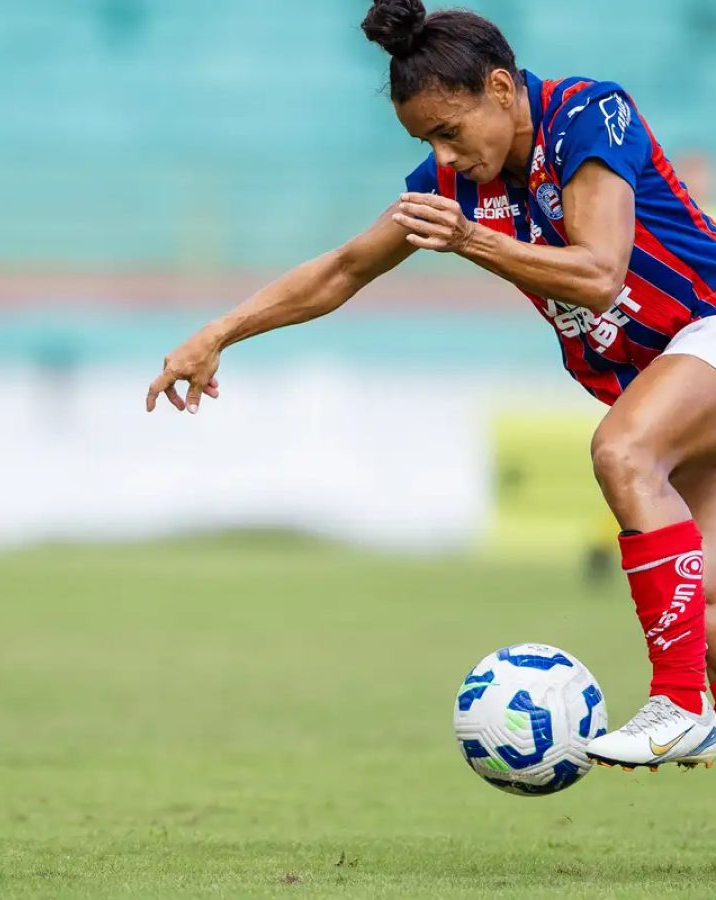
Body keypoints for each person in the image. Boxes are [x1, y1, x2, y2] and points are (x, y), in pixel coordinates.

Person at [146, 0, 716, 772]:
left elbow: (599, 273)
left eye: (450, 130)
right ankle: (693, 693)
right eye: (426, 142)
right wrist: (218, 333)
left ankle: (677, 703)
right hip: (677, 381)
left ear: (503, 89)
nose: (444, 156)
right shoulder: (456, 187)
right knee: (702, 620)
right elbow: (345, 269)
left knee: (623, 452)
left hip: (703, 334)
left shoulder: (587, 112)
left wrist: (472, 239)